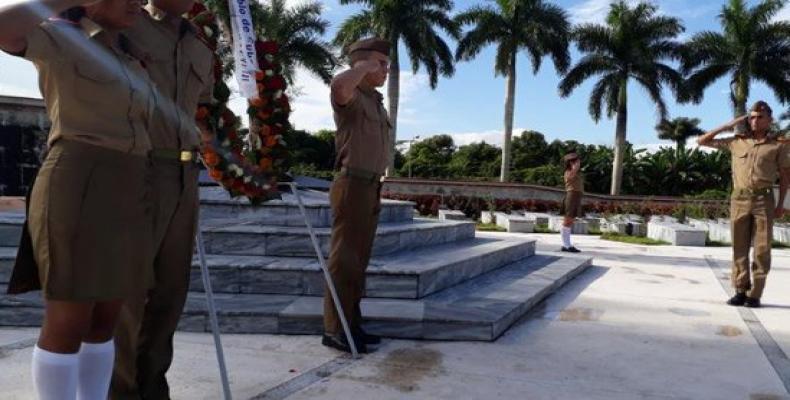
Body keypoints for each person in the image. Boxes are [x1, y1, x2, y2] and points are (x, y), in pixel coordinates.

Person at [0, 0, 156, 398]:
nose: (138, 3)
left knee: (105, 319)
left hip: (131, 180)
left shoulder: (131, 56)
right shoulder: (60, 36)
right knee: (69, 318)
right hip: (80, 177)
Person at [110, 0, 214, 398]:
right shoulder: (125, 23)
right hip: (137, 167)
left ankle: (152, 384)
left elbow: (202, 104)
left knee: (171, 292)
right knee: (126, 294)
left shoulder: (200, 45)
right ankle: (119, 390)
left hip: (185, 174)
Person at [322, 37, 391, 354]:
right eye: (381, 62)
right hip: (351, 185)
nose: (386, 69)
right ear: (362, 63)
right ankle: (334, 329)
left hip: (370, 186)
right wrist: (362, 66)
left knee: (358, 262)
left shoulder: (375, 101)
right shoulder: (351, 94)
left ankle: (351, 324)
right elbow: (337, 88)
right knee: (344, 260)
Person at [698, 101, 790, 308]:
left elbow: (785, 177)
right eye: (752, 117)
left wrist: (781, 204)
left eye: (760, 117)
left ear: (769, 120)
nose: (755, 121)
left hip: (763, 200)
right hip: (739, 199)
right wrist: (729, 125)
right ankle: (740, 290)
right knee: (739, 247)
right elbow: (702, 141)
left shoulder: (778, 144)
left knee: (762, 249)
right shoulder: (736, 141)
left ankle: (755, 294)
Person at [560, 152, 583, 253]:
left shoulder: (576, 172)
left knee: (570, 221)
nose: (578, 163)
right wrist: (574, 168)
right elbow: (570, 178)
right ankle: (566, 245)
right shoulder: (568, 172)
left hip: (577, 196)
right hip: (571, 195)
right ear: (570, 163)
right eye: (575, 161)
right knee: (567, 220)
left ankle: (567, 244)